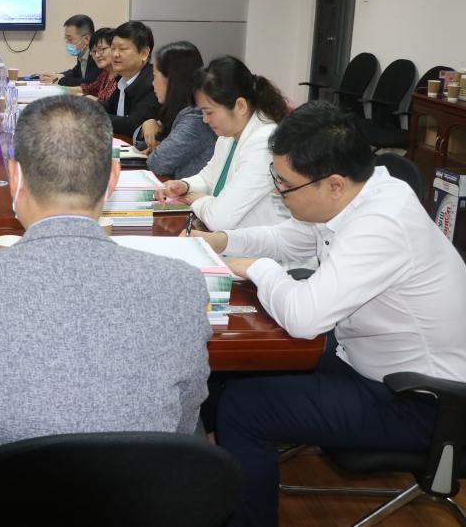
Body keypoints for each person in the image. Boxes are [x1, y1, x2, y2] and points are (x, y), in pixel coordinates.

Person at [0, 95, 213, 513]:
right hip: (135, 509)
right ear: (113, 178)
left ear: (15, 177)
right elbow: (181, 424)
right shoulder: (182, 286)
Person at [186, 102, 466, 527]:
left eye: (285, 184)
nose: (278, 191)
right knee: (242, 367)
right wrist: (223, 242)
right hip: (367, 358)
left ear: (333, 184)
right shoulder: (362, 192)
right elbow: (290, 238)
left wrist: (259, 268)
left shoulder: (382, 224)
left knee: (245, 407)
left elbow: (304, 318)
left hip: (424, 400)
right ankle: (218, 464)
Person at [158, 56, 291, 231]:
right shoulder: (228, 135)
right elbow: (209, 177)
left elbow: (219, 219)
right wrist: (185, 185)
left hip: (265, 245)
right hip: (233, 239)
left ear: (240, 106)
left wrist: (197, 200)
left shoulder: (264, 143)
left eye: (209, 112)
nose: (205, 120)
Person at [140, 41, 217, 179]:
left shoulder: (196, 119)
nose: (152, 83)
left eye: (155, 76)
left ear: (172, 80)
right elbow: (149, 144)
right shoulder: (179, 110)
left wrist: (156, 150)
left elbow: (157, 163)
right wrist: (149, 123)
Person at [101, 20, 160, 137]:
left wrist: (93, 116)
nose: (115, 54)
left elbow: (133, 125)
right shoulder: (123, 78)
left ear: (144, 53)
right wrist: (87, 107)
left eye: (122, 49)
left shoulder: (153, 83)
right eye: (113, 48)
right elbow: (109, 106)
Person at [39, 14, 100, 87]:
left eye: (70, 39)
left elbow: (88, 82)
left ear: (87, 39)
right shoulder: (83, 52)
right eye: (66, 39)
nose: (67, 43)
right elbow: (75, 72)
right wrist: (58, 75)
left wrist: (59, 80)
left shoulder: (98, 56)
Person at [78, 27, 118, 103]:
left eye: (101, 49)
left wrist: (92, 99)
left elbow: (113, 106)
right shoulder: (105, 74)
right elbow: (88, 89)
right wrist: (62, 90)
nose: (96, 55)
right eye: (93, 51)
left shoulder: (122, 76)